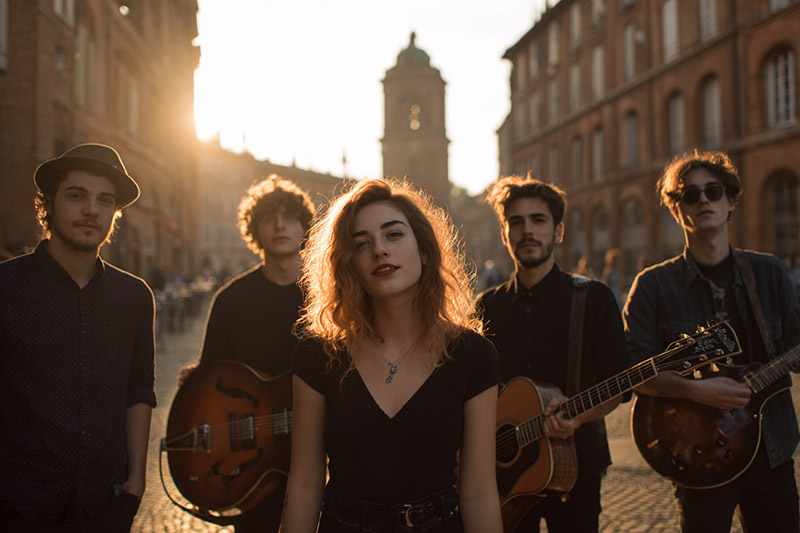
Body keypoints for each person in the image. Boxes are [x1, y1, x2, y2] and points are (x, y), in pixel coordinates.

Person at [282, 178, 503, 532]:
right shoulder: (318, 354)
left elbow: (479, 493)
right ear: (348, 264)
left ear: (425, 251)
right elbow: (304, 485)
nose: (379, 250)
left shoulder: (473, 355)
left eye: (394, 235)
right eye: (361, 243)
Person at [623, 149, 800, 532]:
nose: (703, 199)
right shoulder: (653, 286)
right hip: (698, 454)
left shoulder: (769, 274)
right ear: (677, 210)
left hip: (772, 450)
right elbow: (633, 372)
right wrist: (696, 391)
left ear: (731, 200)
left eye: (713, 191)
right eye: (690, 194)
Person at [0, 143, 156, 531]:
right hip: (17, 504)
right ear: (48, 204)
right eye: (76, 196)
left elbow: (139, 389)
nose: (91, 210)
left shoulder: (134, 296)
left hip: (106, 505)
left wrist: (136, 483)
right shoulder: (6, 288)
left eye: (105, 201)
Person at [475, 175, 629, 533]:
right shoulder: (486, 306)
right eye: (516, 222)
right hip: (503, 471)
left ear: (558, 231)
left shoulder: (593, 298)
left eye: (538, 220)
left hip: (576, 468)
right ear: (505, 234)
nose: (527, 230)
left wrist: (578, 415)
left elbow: (620, 384)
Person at [179, 175, 315, 532]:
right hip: (254, 463)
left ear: (305, 227)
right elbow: (212, 381)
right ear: (255, 230)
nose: (280, 225)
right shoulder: (230, 300)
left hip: (323, 458)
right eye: (270, 218)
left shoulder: (329, 297)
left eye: (289, 217)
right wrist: (195, 379)